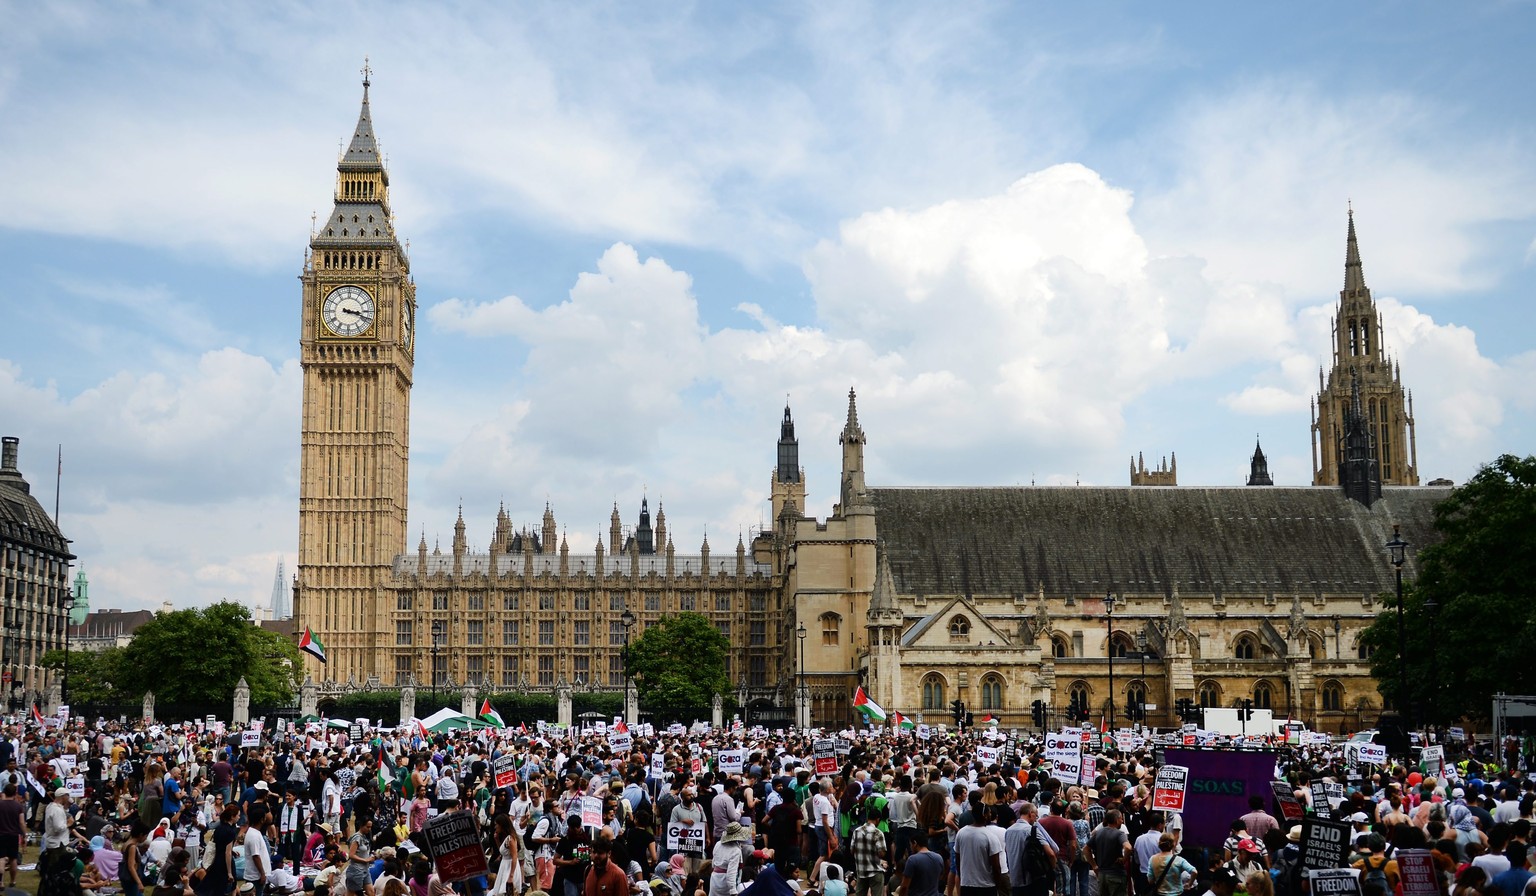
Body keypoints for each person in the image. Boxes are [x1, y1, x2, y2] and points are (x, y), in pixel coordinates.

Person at [953, 803, 1003, 896]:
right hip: (986, 886)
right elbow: (996, 866)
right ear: (985, 815)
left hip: (966, 884)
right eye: (989, 813)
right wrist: (998, 885)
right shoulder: (990, 836)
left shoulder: (961, 833)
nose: (990, 815)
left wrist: (962, 877)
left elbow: (957, 859)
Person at [1087, 810, 1133, 896]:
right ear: (1116, 820)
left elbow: (1086, 849)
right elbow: (1128, 847)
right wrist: (1124, 859)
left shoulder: (1098, 833)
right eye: (1121, 819)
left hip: (1102, 875)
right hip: (1116, 875)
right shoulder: (1120, 834)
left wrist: (1094, 865)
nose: (1122, 821)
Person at [849, 806, 888, 896]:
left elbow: (852, 851)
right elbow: (881, 853)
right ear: (878, 819)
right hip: (875, 871)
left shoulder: (856, 831)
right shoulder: (878, 833)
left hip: (861, 870)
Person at [345, 816, 374, 896]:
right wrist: (365, 860)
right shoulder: (357, 838)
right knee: (351, 893)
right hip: (356, 870)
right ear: (361, 826)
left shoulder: (364, 837)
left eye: (370, 827)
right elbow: (351, 855)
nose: (369, 829)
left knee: (371, 892)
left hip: (365, 869)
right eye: (367, 827)